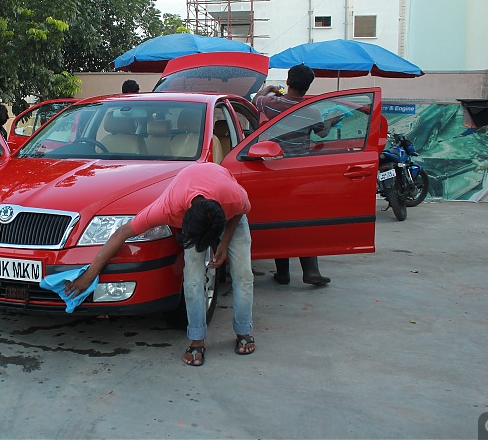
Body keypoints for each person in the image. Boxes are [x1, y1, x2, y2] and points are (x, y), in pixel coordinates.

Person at [63, 162, 255, 366]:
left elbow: (240, 211)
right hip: (193, 205)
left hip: (228, 208)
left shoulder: (233, 197)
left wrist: (223, 243)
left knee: (244, 275)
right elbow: (121, 233)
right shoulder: (167, 208)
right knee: (192, 279)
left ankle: (244, 330)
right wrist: (89, 275)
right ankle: (197, 340)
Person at [254, 63, 332, 286]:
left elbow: (256, 99)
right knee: (303, 219)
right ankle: (311, 270)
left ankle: (283, 273)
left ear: (288, 82)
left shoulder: (272, 103)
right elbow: (323, 132)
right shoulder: (312, 111)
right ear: (308, 86)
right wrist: (331, 119)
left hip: (275, 170)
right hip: (300, 171)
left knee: (280, 219)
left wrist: (269, 88)